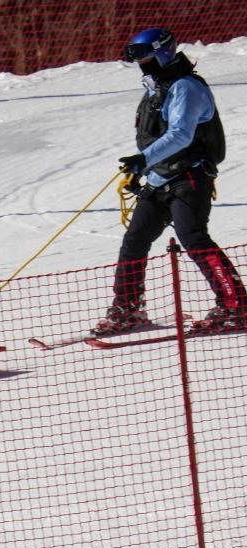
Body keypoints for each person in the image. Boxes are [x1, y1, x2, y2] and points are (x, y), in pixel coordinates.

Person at [95, 27, 247, 335]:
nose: (143, 66)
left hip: (189, 176)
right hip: (160, 179)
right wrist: (144, 172)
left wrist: (144, 159)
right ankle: (127, 309)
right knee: (135, 240)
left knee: (193, 238)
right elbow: (155, 136)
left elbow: (181, 134)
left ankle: (237, 306)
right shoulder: (156, 88)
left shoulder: (186, 87)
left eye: (148, 59)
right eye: (140, 61)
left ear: (163, 53)